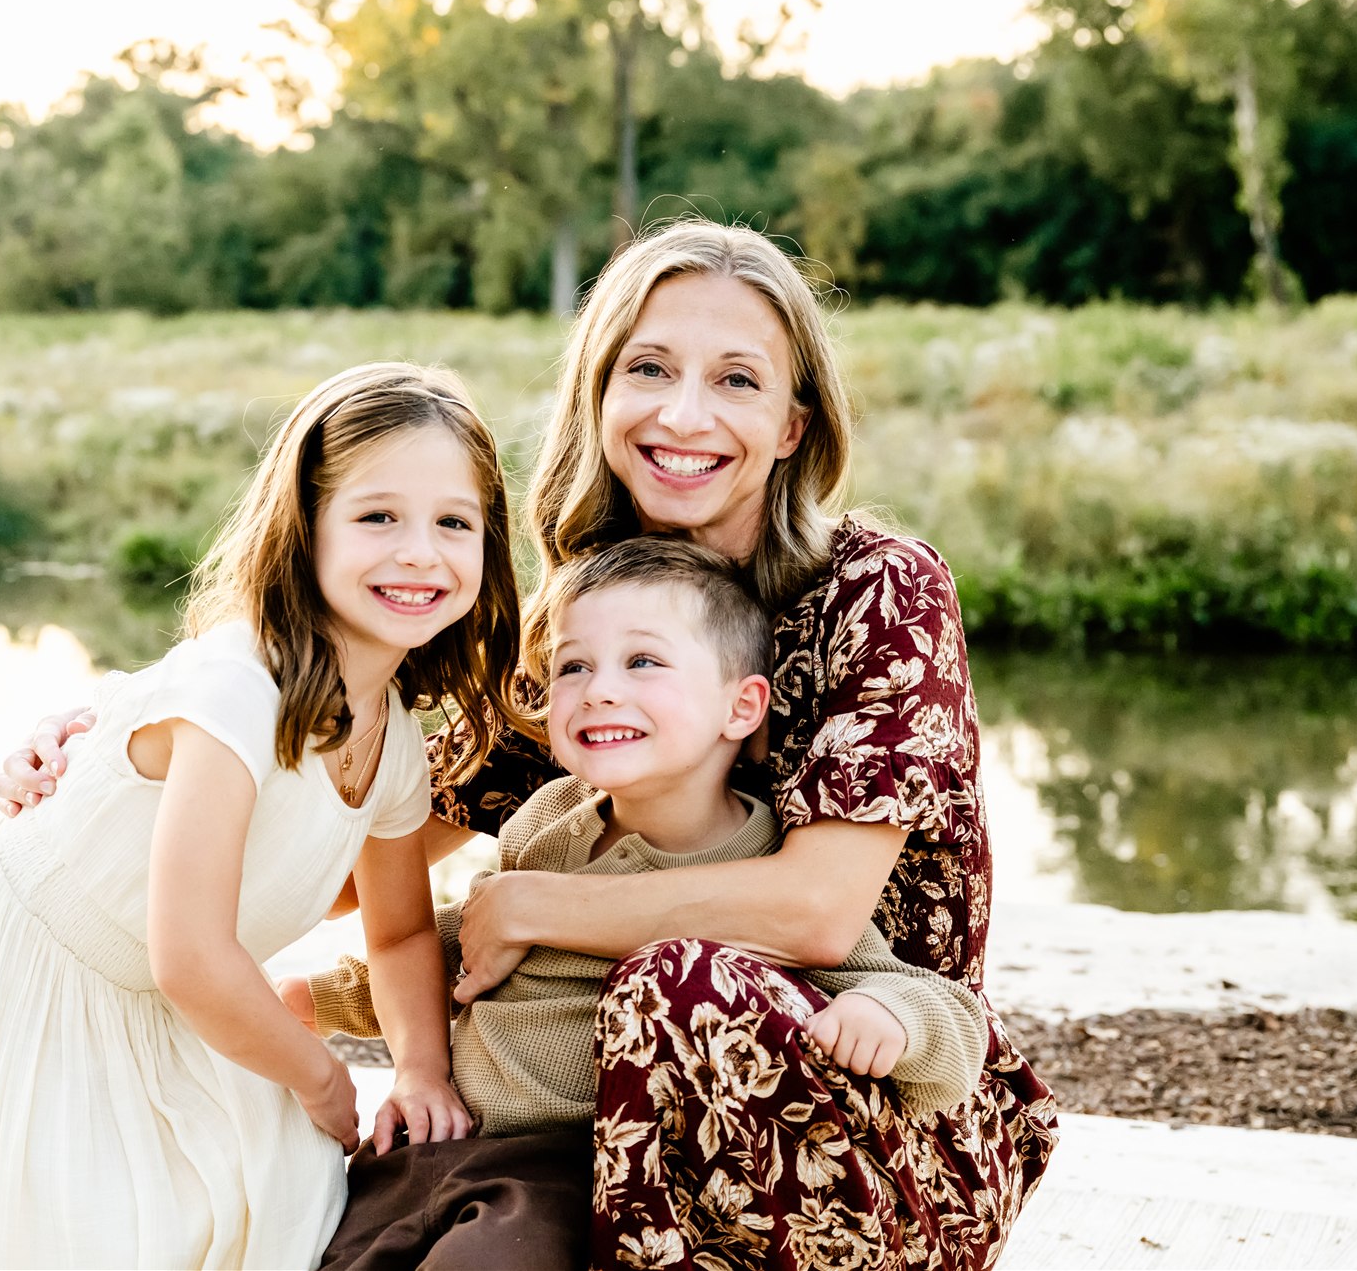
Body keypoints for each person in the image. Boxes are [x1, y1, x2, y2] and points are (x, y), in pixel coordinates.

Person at [0, 220, 1058, 1270]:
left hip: (881, 1123)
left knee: (674, 986)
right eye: (646, 368)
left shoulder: (874, 590)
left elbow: (816, 910)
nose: (683, 413)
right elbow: (343, 842)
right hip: (609, 1155)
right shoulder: (581, 636)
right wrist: (145, 755)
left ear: (792, 423)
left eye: (736, 380)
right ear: (596, 397)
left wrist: (533, 906)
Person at [0, 363, 527, 1269]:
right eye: (378, 516)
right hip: (45, 964)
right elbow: (190, 953)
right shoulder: (237, 687)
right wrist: (325, 1078)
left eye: (454, 522)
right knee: (93, 1234)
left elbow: (403, 930)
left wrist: (418, 1067)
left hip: (175, 993)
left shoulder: (395, 737)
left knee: (285, 1201)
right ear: (307, 530)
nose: (420, 550)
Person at [305, 536, 993, 1271]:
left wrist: (889, 1016)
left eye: (643, 662)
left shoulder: (758, 863)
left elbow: (946, 1007)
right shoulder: (546, 820)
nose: (599, 688)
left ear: (742, 706)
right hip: (445, 1138)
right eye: (573, 666)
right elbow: (463, 944)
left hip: (562, 1171)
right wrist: (322, 998)